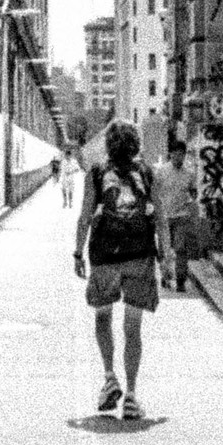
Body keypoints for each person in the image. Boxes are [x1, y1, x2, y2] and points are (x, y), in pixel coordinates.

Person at [74, 120, 164, 418]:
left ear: (109, 144)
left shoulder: (97, 173)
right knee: (133, 327)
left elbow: (86, 215)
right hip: (140, 255)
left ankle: (110, 377)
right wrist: (166, 254)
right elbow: (160, 218)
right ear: (136, 143)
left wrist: (78, 251)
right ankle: (132, 395)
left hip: (104, 255)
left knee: (103, 316)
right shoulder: (148, 173)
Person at [151, 130, 202, 291]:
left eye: (181, 154)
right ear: (170, 154)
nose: (178, 157)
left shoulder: (189, 174)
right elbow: (153, 192)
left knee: (180, 249)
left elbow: (194, 192)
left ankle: (180, 281)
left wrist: (192, 200)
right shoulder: (161, 172)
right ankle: (166, 277)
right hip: (164, 217)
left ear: (184, 155)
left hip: (181, 216)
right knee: (165, 251)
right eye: (175, 154)